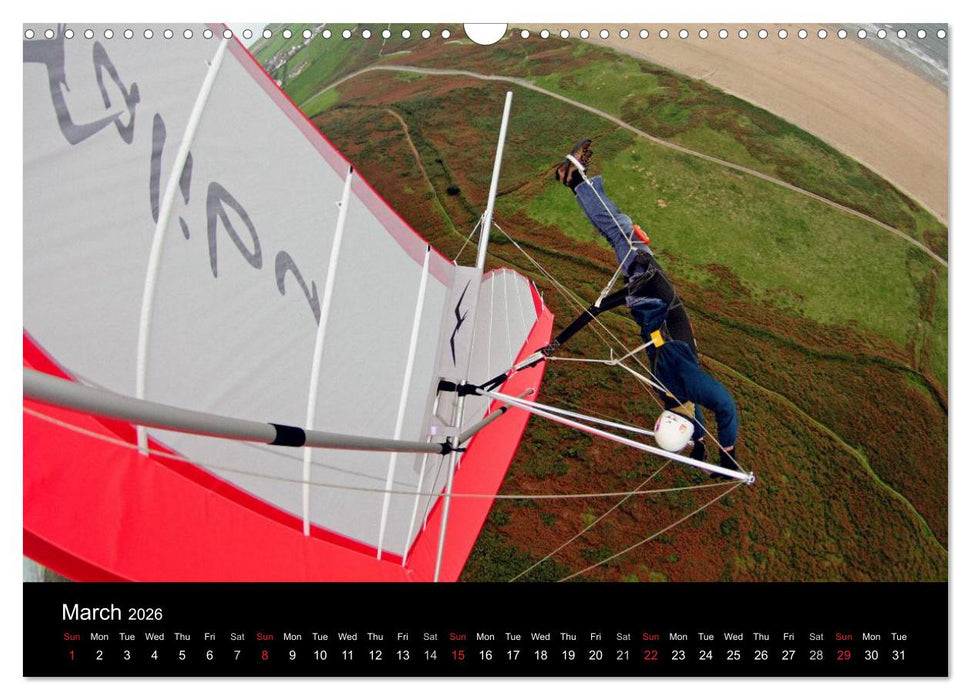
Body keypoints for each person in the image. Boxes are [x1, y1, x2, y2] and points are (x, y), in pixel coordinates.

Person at [553, 139, 740, 475]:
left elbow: (724, 406)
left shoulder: (682, 383)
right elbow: (697, 418)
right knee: (617, 233)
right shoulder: (668, 396)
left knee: (620, 230)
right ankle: (574, 181)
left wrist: (728, 453)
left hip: (650, 290)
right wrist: (700, 449)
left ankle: (575, 179)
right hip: (646, 302)